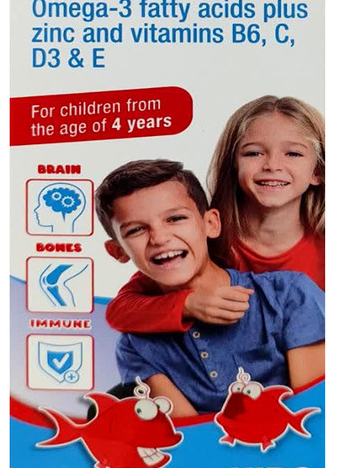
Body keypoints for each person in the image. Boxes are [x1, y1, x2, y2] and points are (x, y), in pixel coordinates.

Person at [95, 159, 325, 416]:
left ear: (211, 224)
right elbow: (189, 434)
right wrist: (187, 304)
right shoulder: (135, 345)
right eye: (136, 230)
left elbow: (315, 413)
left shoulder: (288, 295)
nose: (159, 238)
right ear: (117, 251)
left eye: (176, 218)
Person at [105, 96, 325, 334]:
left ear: (318, 171)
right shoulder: (206, 235)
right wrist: (187, 304)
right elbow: (120, 310)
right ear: (233, 165)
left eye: (293, 154)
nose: (272, 165)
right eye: (253, 153)